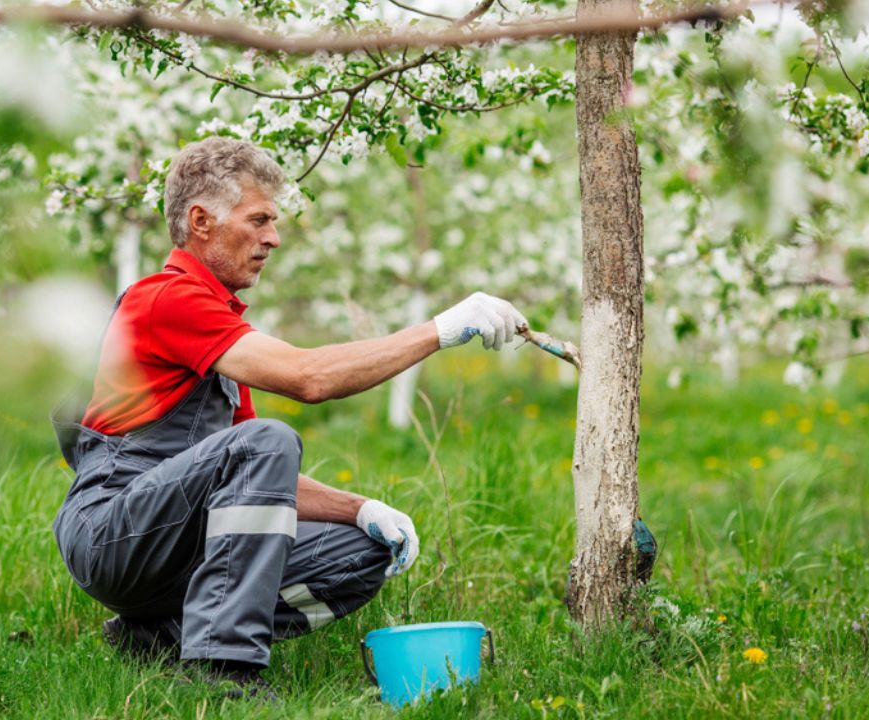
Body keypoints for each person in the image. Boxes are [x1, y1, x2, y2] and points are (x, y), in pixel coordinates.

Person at [50, 137, 527, 698]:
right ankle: (222, 671)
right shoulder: (166, 300)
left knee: (360, 553)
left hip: (170, 545)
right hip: (115, 533)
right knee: (265, 440)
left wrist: (361, 510)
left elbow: (254, 478)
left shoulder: (216, 328)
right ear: (201, 221)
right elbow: (309, 379)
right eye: (259, 220)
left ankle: (162, 637)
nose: (273, 238)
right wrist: (439, 330)